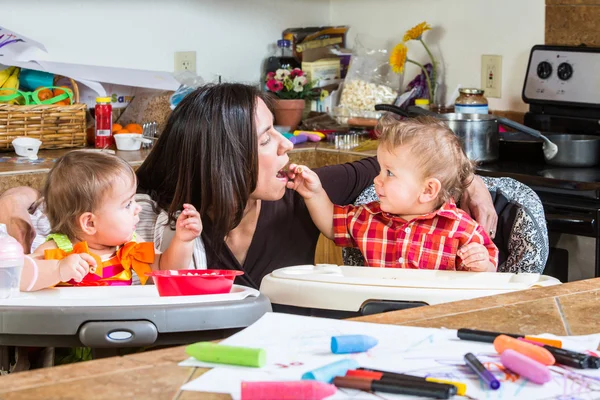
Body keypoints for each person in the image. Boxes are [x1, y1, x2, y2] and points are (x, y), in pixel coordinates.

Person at [1, 83, 498, 290]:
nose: (287, 147)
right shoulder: (148, 212)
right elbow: (45, 202)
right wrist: (14, 203)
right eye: (267, 138)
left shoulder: (304, 192)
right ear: (228, 159)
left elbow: (404, 163)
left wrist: (470, 180)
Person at [287, 115, 498, 272]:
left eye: (389, 173)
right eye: (380, 170)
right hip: (381, 318)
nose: (377, 179)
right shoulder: (369, 218)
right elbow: (332, 225)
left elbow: (491, 273)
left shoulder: (462, 230)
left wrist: (481, 264)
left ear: (428, 190)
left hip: (438, 319)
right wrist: (313, 193)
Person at [19, 150, 202, 291]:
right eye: (127, 204)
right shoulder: (58, 250)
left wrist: (183, 241)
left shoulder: (130, 246)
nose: (137, 207)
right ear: (90, 223)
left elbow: (165, 271)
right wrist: (58, 269)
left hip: (118, 329)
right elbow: (18, 277)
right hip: (69, 335)